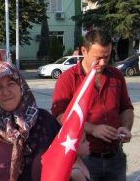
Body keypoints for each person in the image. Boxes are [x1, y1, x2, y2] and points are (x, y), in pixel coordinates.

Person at [51, 29, 134, 181]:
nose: (103, 63)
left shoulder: (116, 75)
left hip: (116, 158)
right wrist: (92, 129)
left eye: (107, 57)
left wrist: (126, 128)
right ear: (84, 50)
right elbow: (60, 116)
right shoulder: (68, 79)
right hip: (85, 159)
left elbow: (126, 108)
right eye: (98, 58)